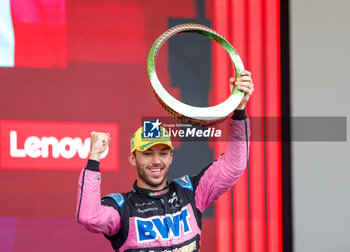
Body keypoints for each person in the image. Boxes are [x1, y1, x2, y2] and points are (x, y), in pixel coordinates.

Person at [76, 71, 254, 252]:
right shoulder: (122, 207)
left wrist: (239, 110)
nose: (156, 161)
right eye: (147, 154)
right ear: (132, 158)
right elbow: (89, 218)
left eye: (162, 153)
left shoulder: (191, 192)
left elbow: (235, 165)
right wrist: (94, 157)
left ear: (170, 157)